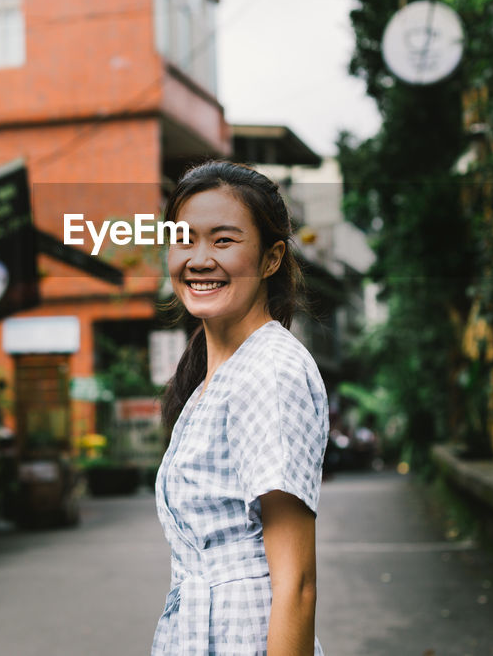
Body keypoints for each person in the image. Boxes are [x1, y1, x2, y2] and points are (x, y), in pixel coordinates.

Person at [151, 161, 329, 656]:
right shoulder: (216, 376)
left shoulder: (268, 371)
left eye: (223, 241)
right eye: (184, 239)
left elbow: (296, 582)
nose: (199, 259)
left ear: (271, 259)